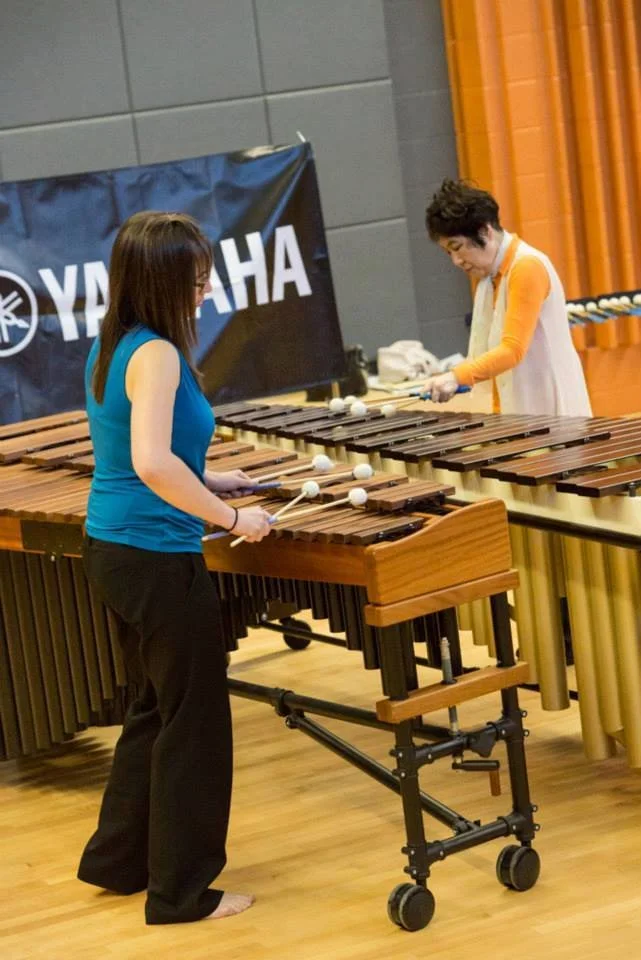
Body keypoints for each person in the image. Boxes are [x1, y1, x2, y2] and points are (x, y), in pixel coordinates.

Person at [78, 210, 272, 925]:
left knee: (155, 710)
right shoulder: (157, 353)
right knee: (194, 722)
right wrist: (230, 520)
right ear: (159, 282)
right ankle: (183, 893)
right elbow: (151, 462)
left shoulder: (113, 344)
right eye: (193, 281)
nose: (203, 292)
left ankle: (118, 860)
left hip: (114, 549)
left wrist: (214, 480)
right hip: (156, 558)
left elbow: (140, 452)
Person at [422, 179, 592, 416]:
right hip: (521, 412)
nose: (456, 261)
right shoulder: (490, 277)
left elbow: (512, 350)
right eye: (448, 252)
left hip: (553, 412)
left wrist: (456, 376)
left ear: (484, 231)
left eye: (458, 247)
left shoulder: (526, 267)